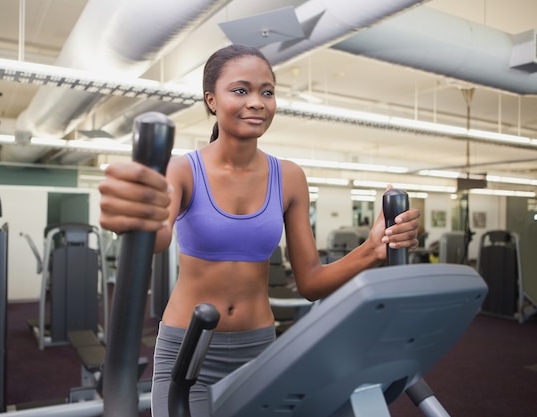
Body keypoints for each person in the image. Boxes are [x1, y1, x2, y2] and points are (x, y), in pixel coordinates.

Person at [98, 44, 420, 417]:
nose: (257, 102)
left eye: (267, 92)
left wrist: (373, 249)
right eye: (241, 90)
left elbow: (311, 282)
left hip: (259, 349)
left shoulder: (289, 177)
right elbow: (158, 237)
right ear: (212, 100)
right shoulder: (182, 170)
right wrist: (136, 220)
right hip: (187, 351)